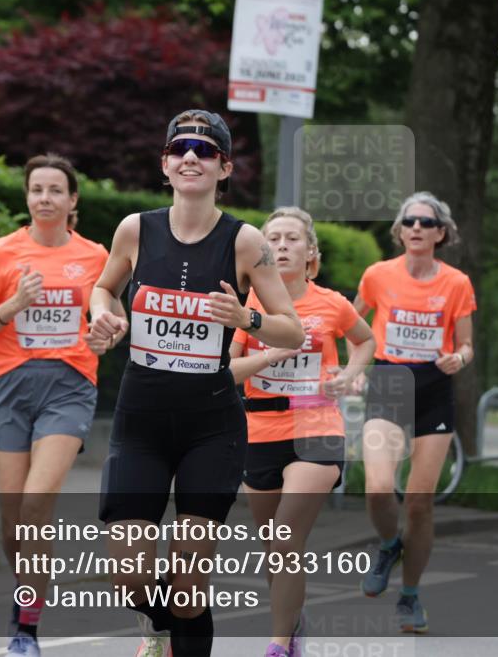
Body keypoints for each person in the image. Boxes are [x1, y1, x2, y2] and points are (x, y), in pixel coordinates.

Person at [88, 110, 304, 657]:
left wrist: (246, 320)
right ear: (165, 164)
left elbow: (292, 330)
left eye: (205, 151)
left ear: (223, 167)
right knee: (128, 576)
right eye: (180, 148)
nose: (191, 157)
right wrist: (105, 314)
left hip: (212, 427)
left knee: (189, 585)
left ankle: (178, 629)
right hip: (140, 422)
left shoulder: (245, 241)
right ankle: (160, 627)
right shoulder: (135, 229)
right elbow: (102, 288)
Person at [0, 154, 116, 656]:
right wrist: (13, 305)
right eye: (37, 189)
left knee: (36, 501)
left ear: (73, 200)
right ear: (27, 197)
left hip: (69, 385)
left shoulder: (95, 256)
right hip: (8, 384)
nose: (45, 198)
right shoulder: (3, 253)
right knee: (15, 520)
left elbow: (113, 316)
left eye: (56, 190)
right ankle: (25, 596)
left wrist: (107, 332)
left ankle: (26, 624)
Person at [228, 207, 375, 657]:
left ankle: (276, 644)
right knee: (273, 545)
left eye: (294, 239)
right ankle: (291, 625)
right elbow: (227, 371)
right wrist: (268, 357)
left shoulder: (332, 303)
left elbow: (365, 340)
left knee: (286, 535)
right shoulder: (249, 306)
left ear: (311, 252)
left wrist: (351, 373)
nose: (284, 245)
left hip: (317, 427)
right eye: (274, 238)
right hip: (259, 428)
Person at [353, 192, 475, 634]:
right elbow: (350, 323)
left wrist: (458, 360)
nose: (417, 227)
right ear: (400, 231)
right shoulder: (377, 276)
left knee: (420, 503)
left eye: (426, 222)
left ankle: (410, 596)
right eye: (409, 221)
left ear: (441, 233)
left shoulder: (456, 283)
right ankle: (388, 545)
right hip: (387, 381)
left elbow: (466, 345)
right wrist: (357, 368)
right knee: (379, 487)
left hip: (433, 388)